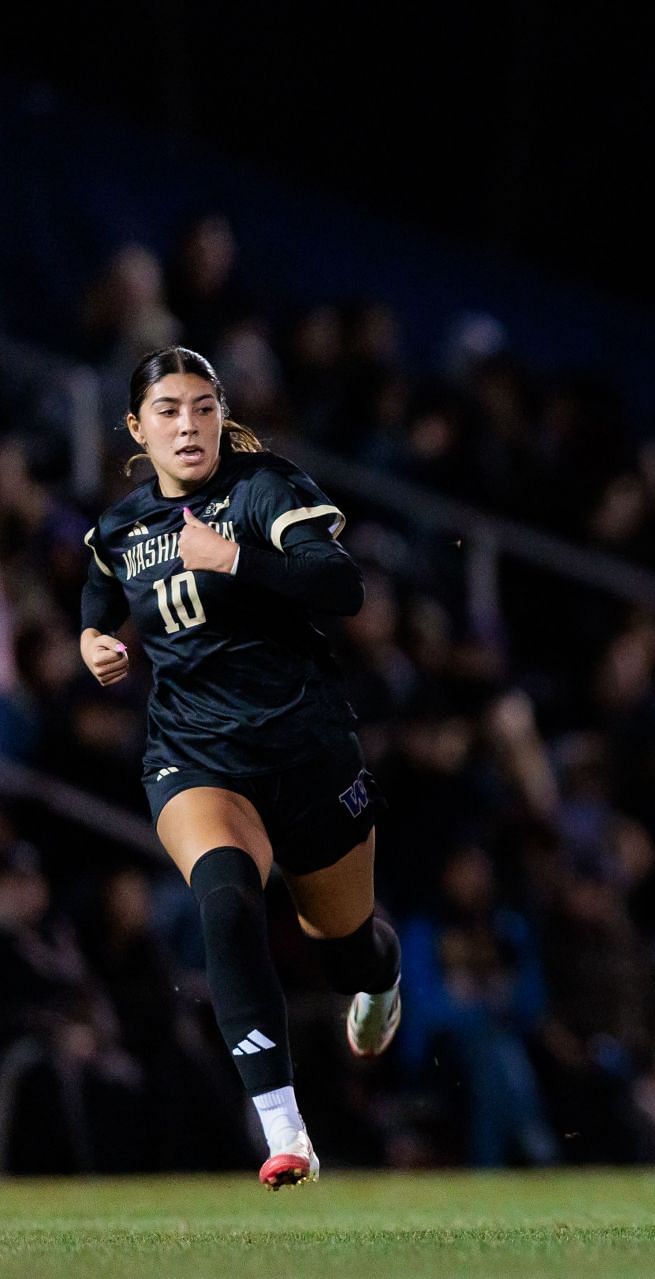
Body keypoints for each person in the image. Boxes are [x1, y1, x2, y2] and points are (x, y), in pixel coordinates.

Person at [77, 346, 402, 1188]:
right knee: (225, 899)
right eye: (169, 411)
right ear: (136, 428)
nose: (188, 425)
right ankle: (285, 1130)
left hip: (306, 755)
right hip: (193, 756)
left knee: (344, 949)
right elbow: (101, 589)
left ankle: (380, 973)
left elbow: (343, 586)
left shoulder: (263, 489)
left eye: (203, 407)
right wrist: (93, 641)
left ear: (222, 413)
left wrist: (237, 560)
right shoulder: (123, 526)